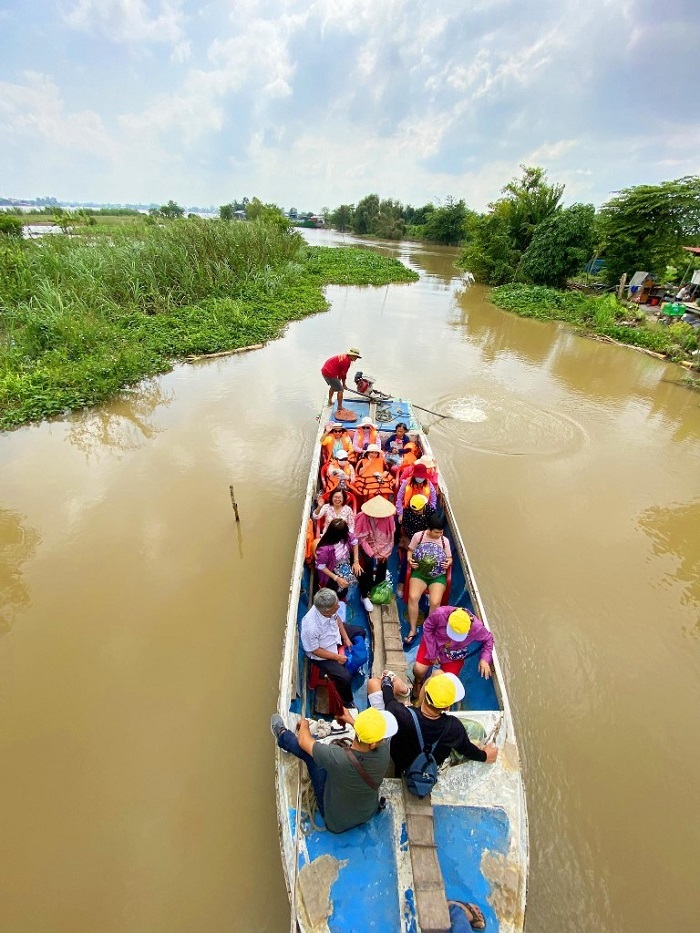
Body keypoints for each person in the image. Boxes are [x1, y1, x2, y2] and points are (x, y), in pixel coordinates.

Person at [270, 703, 397, 834]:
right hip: (367, 813)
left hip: (336, 822)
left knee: (310, 756)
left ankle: (282, 734)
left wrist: (304, 725)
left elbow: (303, 741)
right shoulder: (383, 752)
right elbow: (368, 742)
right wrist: (351, 721)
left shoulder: (337, 757)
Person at [368, 670, 498, 778]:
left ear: (425, 695)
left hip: (398, 759)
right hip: (427, 765)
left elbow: (389, 700)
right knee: (438, 673)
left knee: (373, 683)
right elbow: (467, 749)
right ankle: (403, 689)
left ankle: (404, 689)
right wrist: (485, 756)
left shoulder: (401, 713)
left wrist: (387, 680)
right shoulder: (453, 727)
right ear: (447, 707)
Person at [300, 588, 367, 706]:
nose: (339, 607)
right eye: (336, 607)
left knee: (360, 632)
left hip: (334, 634)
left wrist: (345, 638)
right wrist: (337, 657)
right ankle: (347, 700)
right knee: (345, 677)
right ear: (326, 612)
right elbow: (314, 650)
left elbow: (337, 619)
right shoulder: (310, 627)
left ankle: (350, 661)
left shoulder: (330, 609)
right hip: (322, 653)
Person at [413, 606, 494, 701]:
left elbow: (488, 639)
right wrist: (432, 652)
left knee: (448, 683)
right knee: (419, 670)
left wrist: (484, 659)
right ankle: (418, 682)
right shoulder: (440, 613)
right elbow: (427, 627)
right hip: (434, 644)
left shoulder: (477, 627)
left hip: (454, 654)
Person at [404, 512, 453, 645]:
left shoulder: (444, 541)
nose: (439, 535)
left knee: (435, 601)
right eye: (436, 532)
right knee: (413, 597)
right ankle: (413, 629)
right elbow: (410, 550)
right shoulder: (418, 536)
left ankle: (429, 629)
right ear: (429, 529)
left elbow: (449, 558)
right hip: (420, 572)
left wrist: (448, 562)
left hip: (437, 575)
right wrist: (409, 559)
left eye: (441, 532)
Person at [354, 496, 396, 613]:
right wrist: (372, 553)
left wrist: (385, 553)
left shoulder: (389, 518)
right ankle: (364, 595)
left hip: (383, 546)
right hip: (366, 544)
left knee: (383, 565)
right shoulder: (362, 518)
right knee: (366, 565)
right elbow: (360, 539)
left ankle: (377, 587)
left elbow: (390, 537)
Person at [315, 518, 361, 598]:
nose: (347, 533)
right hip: (331, 568)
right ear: (339, 535)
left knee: (360, 573)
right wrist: (337, 578)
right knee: (342, 591)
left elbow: (355, 541)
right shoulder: (324, 550)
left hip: (345, 560)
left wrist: (356, 561)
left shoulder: (345, 536)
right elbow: (321, 566)